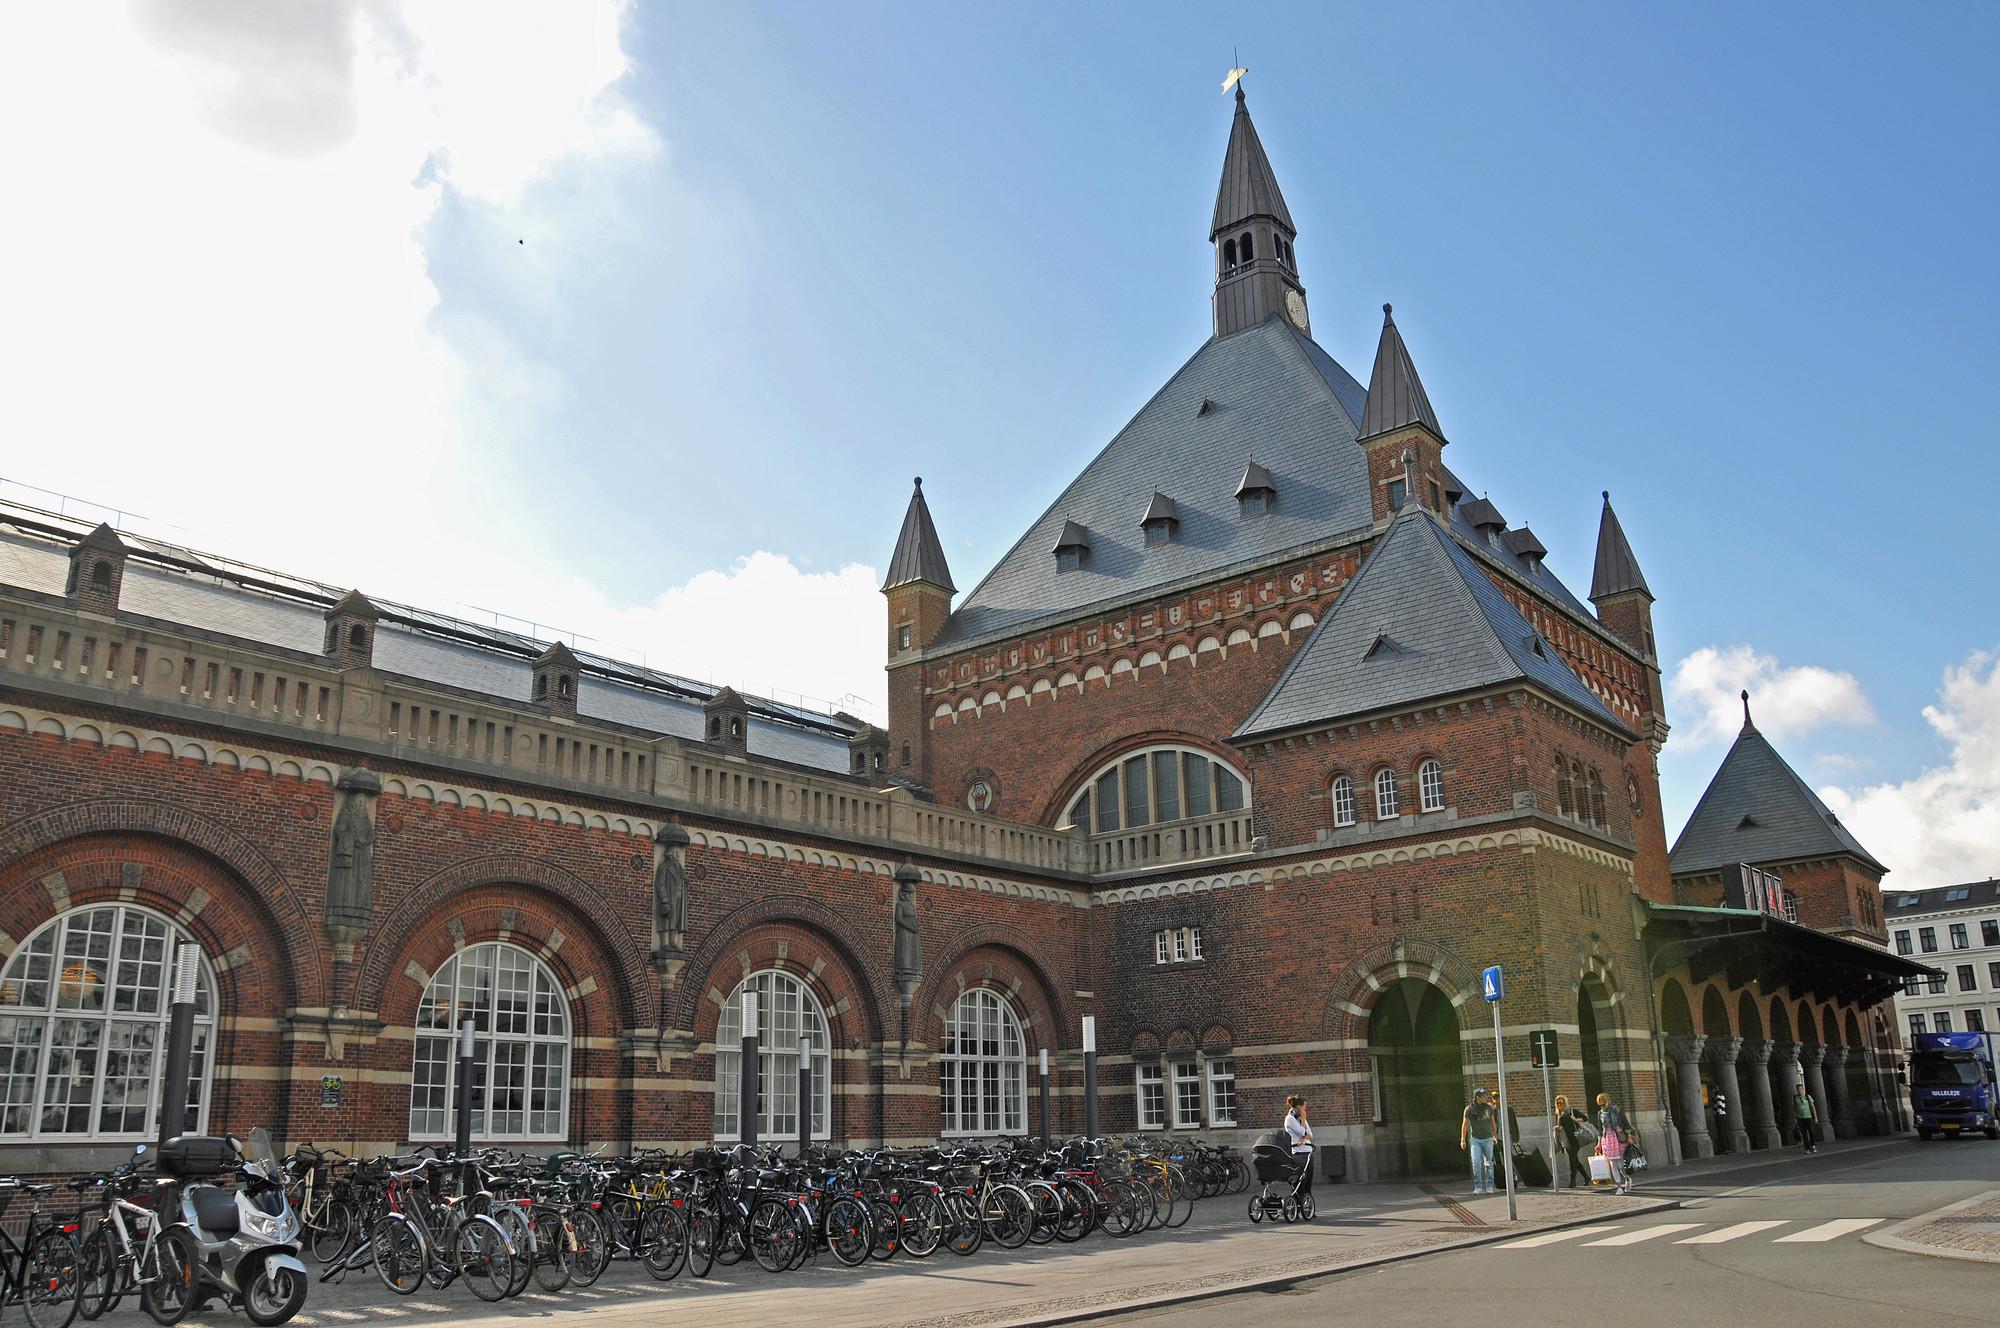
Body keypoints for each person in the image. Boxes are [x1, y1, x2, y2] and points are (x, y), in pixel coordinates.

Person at [1460, 1087, 1498, 1195]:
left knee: (1488, 1163)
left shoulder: (1489, 1108)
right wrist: (1463, 1139)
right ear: (1478, 1097)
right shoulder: (1469, 1109)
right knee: (1476, 1162)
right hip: (1475, 1139)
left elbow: (1493, 1123)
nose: (1486, 1097)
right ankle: (1478, 1186)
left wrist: (1495, 1135)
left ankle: (1489, 1185)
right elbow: (1465, 1124)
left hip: (1488, 1138)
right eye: (1484, 1096)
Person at [1594, 1091, 1632, 1195]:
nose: (1602, 1105)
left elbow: (1626, 1123)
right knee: (1612, 1165)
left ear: (1608, 1101)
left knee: (1620, 1165)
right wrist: (1599, 1143)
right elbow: (1599, 1129)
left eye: (1603, 1102)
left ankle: (1627, 1178)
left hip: (1618, 1137)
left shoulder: (1617, 1110)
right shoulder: (1600, 1113)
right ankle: (1619, 1187)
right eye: (1600, 1103)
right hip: (1607, 1139)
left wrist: (1629, 1136)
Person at [1553, 1094, 1591, 1187]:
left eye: (1561, 1103)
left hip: (1575, 1138)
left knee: (1572, 1160)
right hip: (1566, 1140)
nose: (1559, 1105)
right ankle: (1586, 1177)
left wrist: (1576, 1119)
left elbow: (1585, 1118)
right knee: (1575, 1160)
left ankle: (1572, 1181)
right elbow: (1561, 1127)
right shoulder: (1558, 1114)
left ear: (1565, 1103)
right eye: (1557, 1103)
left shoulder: (1571, 1112)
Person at [1283, 1094, 1316, 1202]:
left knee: (1308, 1182)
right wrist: (1304, 1121)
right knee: (1300, 1181)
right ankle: (1297, 1203)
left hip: (1308, 1152)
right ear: (1299, 1107)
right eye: (1304, 1107)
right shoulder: (1290, 1119)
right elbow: (1302, 1131)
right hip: (1298, 1153)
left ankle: (1308, 1206)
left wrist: (1304, 1137)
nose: (1305, 1109)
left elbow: (1310, 1134)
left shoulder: (1301, 1118)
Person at [1792, 1084, 1820, 1154]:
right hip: (1800, 1118)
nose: (1800, 1091)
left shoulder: (1807, 1097)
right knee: (1804, 1134)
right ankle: (1807, 1149)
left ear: (1803, 1089)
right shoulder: (1795, 1098)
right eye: (1798, 1090)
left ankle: (1813, 1145)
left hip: (1809, 1117)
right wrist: (1795, 1116)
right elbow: (1795, 1108)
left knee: (1811, 1132)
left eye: (1801, 1089)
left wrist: (1815, 1117)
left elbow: (1813, 1107)